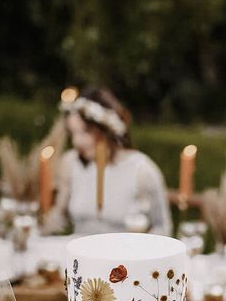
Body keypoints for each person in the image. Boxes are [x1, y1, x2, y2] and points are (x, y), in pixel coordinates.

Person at [45, 88, 172, 236]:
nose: (76, 141)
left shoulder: (142, 171)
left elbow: (162, 227)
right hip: (80, 256)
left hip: (124, 257)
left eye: (85, 131)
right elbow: (60, 216)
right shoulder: (71, 163)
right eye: (72, 133)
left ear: (107, 130)